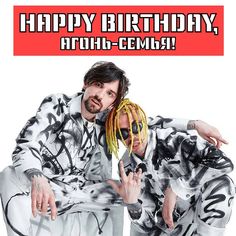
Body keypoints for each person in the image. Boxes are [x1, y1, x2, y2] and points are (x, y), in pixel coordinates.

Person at [0, 61, 228, 236]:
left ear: (114, 102)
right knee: (8, 175)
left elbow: (144, 123)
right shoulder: (57, 104)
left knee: (126, 191)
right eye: (98, 85)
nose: (100, 95)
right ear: (86, 83)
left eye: (110, 93)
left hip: (77, 190)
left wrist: (194, 124)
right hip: (45, 185)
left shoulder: (107, 119)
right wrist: (37, 177)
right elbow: (26, 144)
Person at [106, 99, 235, 236]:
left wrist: (175, 189)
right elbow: (148, 225)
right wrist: (133, 205)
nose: (132, 136)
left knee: (222, 183)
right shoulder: (127, 169)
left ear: (145, 123)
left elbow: (223, 162)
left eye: (135, 127)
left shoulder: (173, 140)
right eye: (123, 133)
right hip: (172, 225)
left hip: (201, 209)